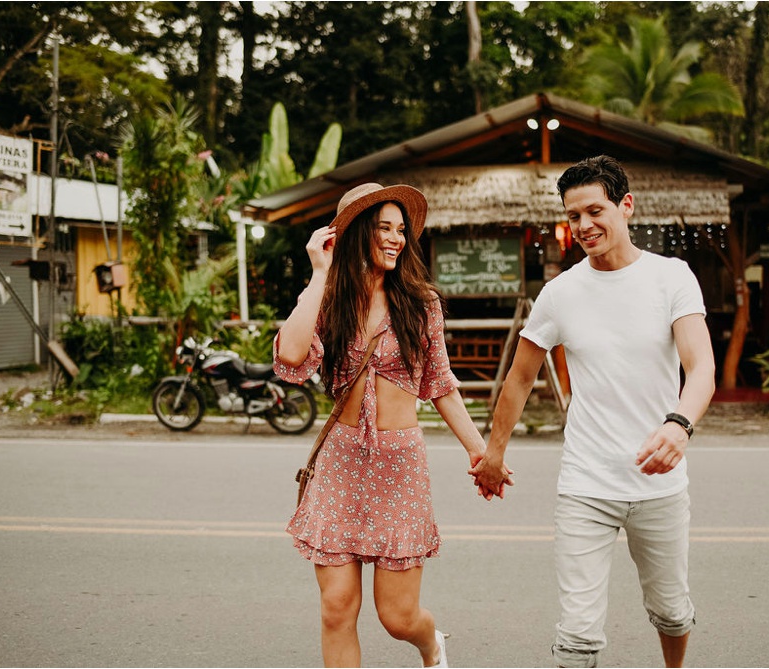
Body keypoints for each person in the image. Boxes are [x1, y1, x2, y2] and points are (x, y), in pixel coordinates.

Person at [470, 155, 714, 669]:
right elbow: (518, 379)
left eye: (595, 211)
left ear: (626, 207)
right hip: (585, 485)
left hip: (659, 485)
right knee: (578, 635)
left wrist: (679, 424)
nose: (583, 226)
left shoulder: (672, 277)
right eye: (573, 216)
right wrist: (492, 454)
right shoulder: (560, 294)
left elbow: (701, 367)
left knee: (671, 612)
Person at [272, 182, 491, 668]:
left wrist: (481, 453)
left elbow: (440, 384)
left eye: (400, 230)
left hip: (399, 467)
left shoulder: (420, 303)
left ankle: (431, 644)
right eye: (383, 229)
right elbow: (290, 356)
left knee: (398, 616)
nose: (395, 238)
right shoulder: (330, 300)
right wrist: (319, 274)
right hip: (341, 463)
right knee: (336, 608)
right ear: (354, 236)